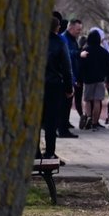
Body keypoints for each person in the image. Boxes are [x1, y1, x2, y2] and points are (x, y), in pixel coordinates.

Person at [41, 16, 75, 158]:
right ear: (57, 27)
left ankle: (35, 152)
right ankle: (49, 152)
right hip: (54, 85)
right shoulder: (60, 43)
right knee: (51, 120)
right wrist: (69, 88)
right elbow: (67, 68)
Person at [80, 28, 109, 130]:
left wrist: (80, 78)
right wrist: (108, 79)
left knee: (87, 100)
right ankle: (94, 122)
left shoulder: (85, 50)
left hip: (88, 79)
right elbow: (108, 67)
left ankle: (88, 116)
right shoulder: (104, 52)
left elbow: (81, 66)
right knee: (97, 100)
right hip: (100, 79)